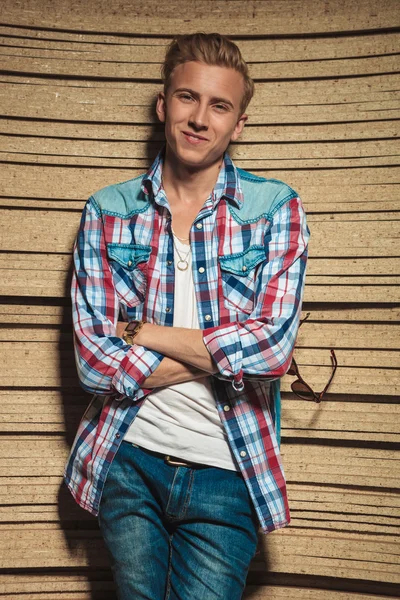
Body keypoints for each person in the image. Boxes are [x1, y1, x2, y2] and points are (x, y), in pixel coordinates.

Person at [64, 32, 309, 600]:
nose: (200, 118)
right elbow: (95, 366)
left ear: (239, 123)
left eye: (219, 105)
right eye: (187, 98)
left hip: (228, 469)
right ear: (162, 106)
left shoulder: (274, 209)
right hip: (127, 458)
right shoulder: (108, 211)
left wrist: (140, 332)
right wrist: (223, 356)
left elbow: (271, 351)